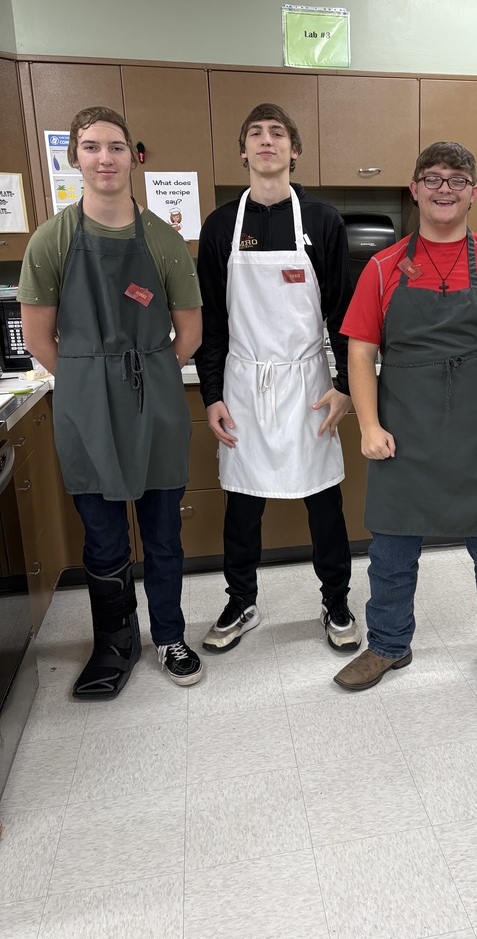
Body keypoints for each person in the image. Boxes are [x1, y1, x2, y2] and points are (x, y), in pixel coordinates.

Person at [334, 141, 477, 693]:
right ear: (414, 189)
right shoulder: (384, 268)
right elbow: (360, 352)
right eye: (432, 178)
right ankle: (387, 645)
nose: (443, 189)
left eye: (456, 180)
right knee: (391, 550)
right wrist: (367, 425)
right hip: (403, 432)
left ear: (474, 193)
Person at [19, 106, 203, 698]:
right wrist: (90, 381)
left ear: (134, 157)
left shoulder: (164, 241)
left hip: (156, 401)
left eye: (116, 147)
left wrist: (147, 371)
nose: (105, 158)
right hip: (85, 407)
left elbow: (190, 333)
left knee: (164, 537)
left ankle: (171, 635)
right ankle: (114, 643)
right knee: (103, 539)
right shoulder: (52, 240)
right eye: (92, 147)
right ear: (75, 158)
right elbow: (41, 339)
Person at [195, 103, 360, 654]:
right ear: (242, 150)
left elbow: (342, 313)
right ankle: (241, 602)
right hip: (244, 383)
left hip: (309, 383)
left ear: (294, 151)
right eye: (256, 134)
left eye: (278, 134)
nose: (267, 142)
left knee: (324, 504)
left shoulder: (322, 220)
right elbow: (212, 323)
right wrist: (213, 394)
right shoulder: (220, 226)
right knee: (242, 505)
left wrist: (345, 388)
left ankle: (336, 601)